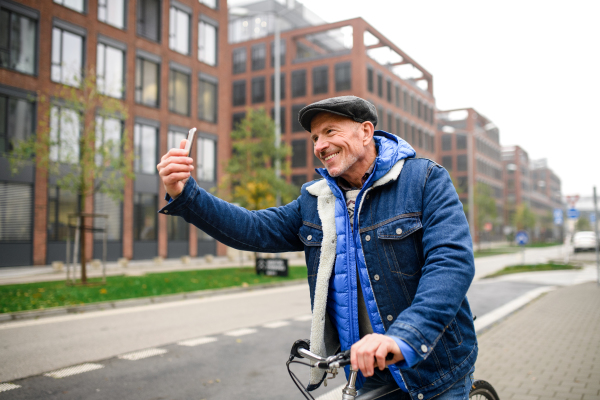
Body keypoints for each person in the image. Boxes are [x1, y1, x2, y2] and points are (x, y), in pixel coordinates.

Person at [157, 96, 477, 400]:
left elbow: (451, 263)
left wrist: (405, 335)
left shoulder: (424, 179)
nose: (320, 145)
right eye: (314, 138)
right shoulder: (315, 201)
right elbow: (252, 229)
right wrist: (186, 193)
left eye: (329, 132)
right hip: (366, 371)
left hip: (433, 365)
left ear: (365, 132)